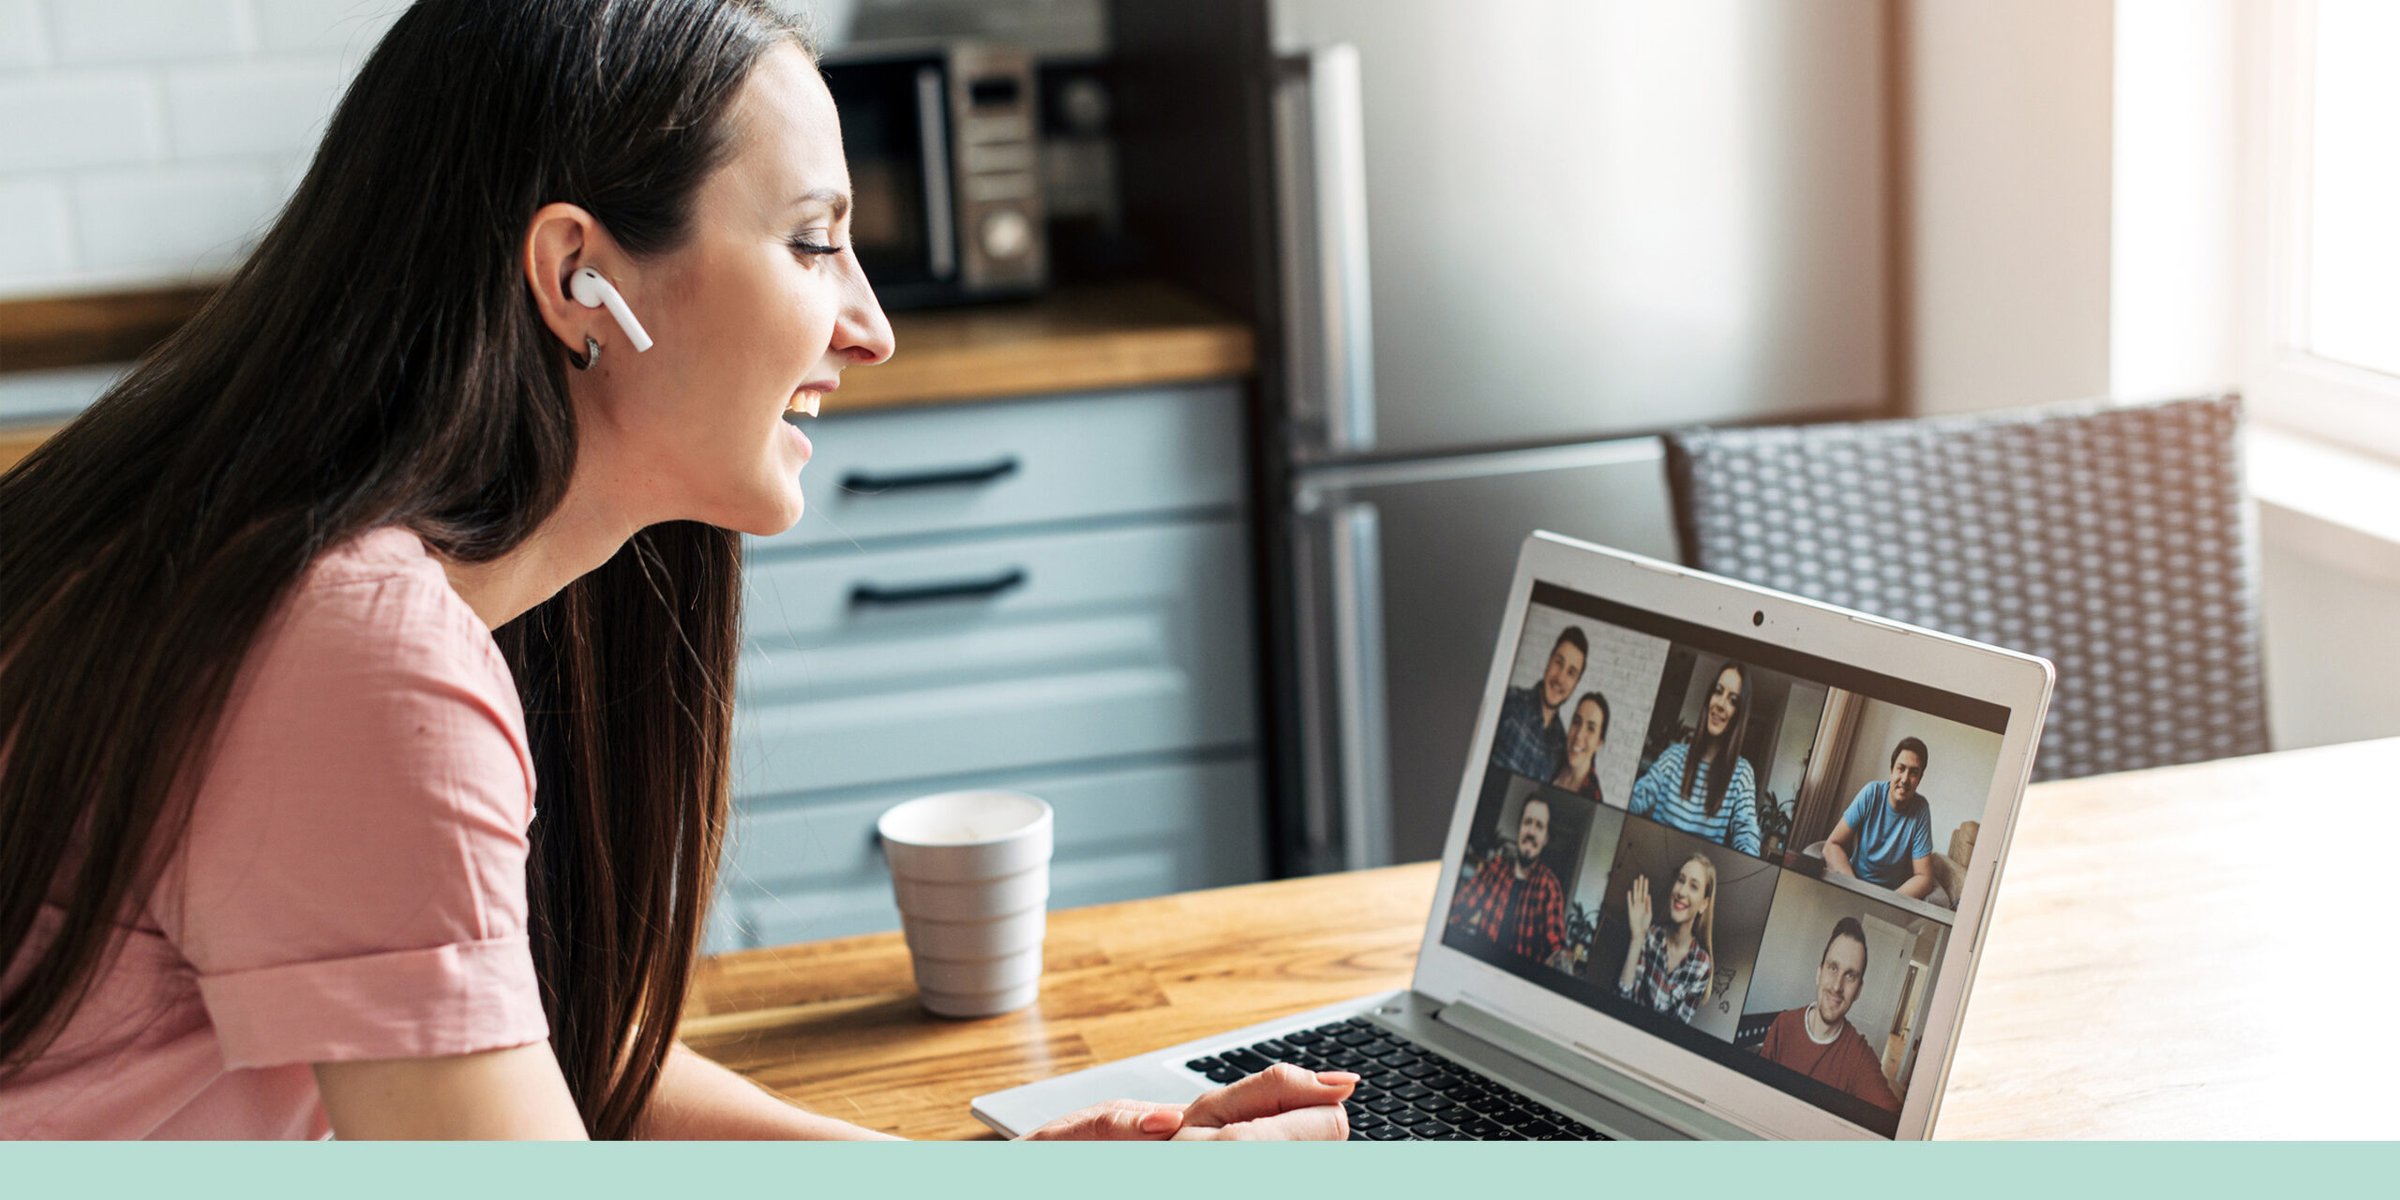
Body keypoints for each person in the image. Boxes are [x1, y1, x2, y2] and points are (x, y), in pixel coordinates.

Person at [0, 0, 1349, 1142]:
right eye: (815, 240)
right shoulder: (356, 654)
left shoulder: (418, 574)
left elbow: (568, 1053)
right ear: (580, 277)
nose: (872, 328)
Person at [1753, 918, 1902, 1113]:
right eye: (1833, 968)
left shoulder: (1859, 1057)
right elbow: (1755, 1094)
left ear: (1858, 990)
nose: (1836, 986)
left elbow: (1895, 1125)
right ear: (1819, 973)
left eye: (1850, 976)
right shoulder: (1783, 1025)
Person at [1627, 662, 1762, 855]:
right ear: (1709, 698)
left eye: (1732, 700)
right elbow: (1638, 795)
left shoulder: (1742, 773)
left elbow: (1746, 831)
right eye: (1718, 691)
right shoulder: (1674, 756)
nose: (1720, 704)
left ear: (1739, 714)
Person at [1446, 796, 1567, 966]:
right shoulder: (1495, 868)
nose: (1531, 831)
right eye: (1527, 822)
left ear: (1546, 838)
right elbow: (1458, 909)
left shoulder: (1549, 886)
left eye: (1539, 826)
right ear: (1519, 828)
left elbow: (1557, 951)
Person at [1824, 737, 1937, 899]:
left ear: (1919, 779)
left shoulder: (1921, 809)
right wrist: (1853, 889)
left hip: (1890, 894)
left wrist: (1887, 901)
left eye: (1913, 772)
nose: (1905, 779)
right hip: (1854, 882)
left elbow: (1924, 878)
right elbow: (1832, 845)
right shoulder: (1871, 793)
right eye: (1901, 769)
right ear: (1892, 770)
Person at [1614, 852, 1717, 1024]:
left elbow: (1675, 1029)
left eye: (1693, 886)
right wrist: (1637, 938)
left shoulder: (1702, 965)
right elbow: (1622, 1001)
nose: (1682, 891)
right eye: (1681, 880)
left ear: (1704, 904)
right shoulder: (1651, 935)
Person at [1491, 626, 1587, 781]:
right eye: (1558, 663)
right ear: (1549, 661)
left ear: (1576, 683)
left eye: (1571, 673)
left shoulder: (1561, 746)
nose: (1560, 678)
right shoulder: (1508, 701)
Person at [1548, 691, 1610, 801]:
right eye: (1576, 722)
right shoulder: (1551, 756)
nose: (1579, 735)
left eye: (1591, 728)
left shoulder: (1593, 797)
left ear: (1599, 743)